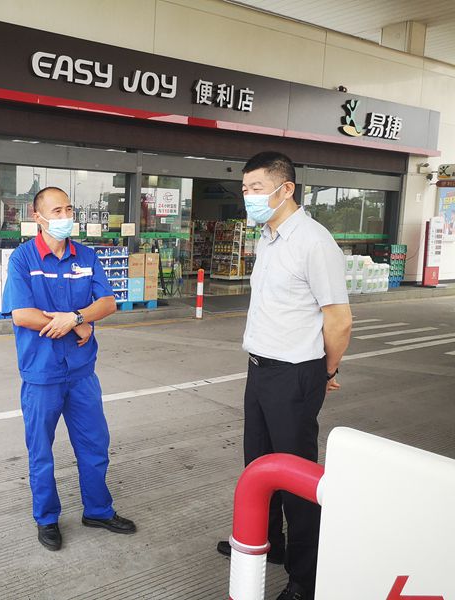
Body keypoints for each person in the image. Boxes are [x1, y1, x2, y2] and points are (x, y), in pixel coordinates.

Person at [216, 152, 352, 600]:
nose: (249, 197)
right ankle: (265, 541)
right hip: (260, 368)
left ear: (286, 188)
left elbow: (339, 320)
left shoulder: (314, 242)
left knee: (296, 479)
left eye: (256, 188)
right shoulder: (268, 237)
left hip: (295, 374)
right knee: (258, 463)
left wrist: (326, 370)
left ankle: (304, 577)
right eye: (245, 189)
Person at [2, 186, 136, 551]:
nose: (65, 217)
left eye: (69, 210)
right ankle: (47, 518)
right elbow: (21, 314)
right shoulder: (23, 259)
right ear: (38, 217)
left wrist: (77, 317)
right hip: (41, 374)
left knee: (94, 446)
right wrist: (74, 324)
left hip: (81, 372)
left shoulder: (86, 256)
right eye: (57, 211)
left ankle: (98, 510)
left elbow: (107, 302)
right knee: (41, 452)